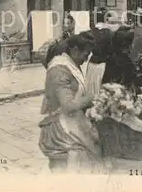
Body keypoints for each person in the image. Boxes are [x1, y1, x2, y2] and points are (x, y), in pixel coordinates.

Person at [38, 33, 102, 173]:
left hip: (72, 122)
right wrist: (92, 97)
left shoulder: (72, 64)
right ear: (74, 50)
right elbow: (67, 105)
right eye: (85, 55)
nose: (86, 60)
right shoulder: (59, 70)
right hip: (61, 130)